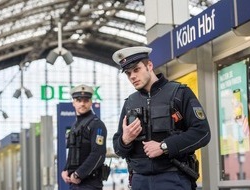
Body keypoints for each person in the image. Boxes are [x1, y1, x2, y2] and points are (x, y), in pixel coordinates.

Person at [112, 46, 211, 190]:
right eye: (128, 73)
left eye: (136, 69)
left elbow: (202, 132)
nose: (132, 76)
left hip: (173, 178)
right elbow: (118, 148)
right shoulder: (130, 103)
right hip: (139, 181)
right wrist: (125, 140)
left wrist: (164, 146)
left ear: (149, 66)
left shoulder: (179, 93)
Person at [61, 84, 107, 190]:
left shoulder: (97, 124)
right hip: (74, 183)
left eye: (86, 100)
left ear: (91, 102)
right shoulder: (75, 126)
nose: (82, 103)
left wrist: (78, 174)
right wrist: (65, 170)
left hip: (90, 184)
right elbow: (73, 152)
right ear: (73, 102)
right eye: (78, 100)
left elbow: (98, 154)